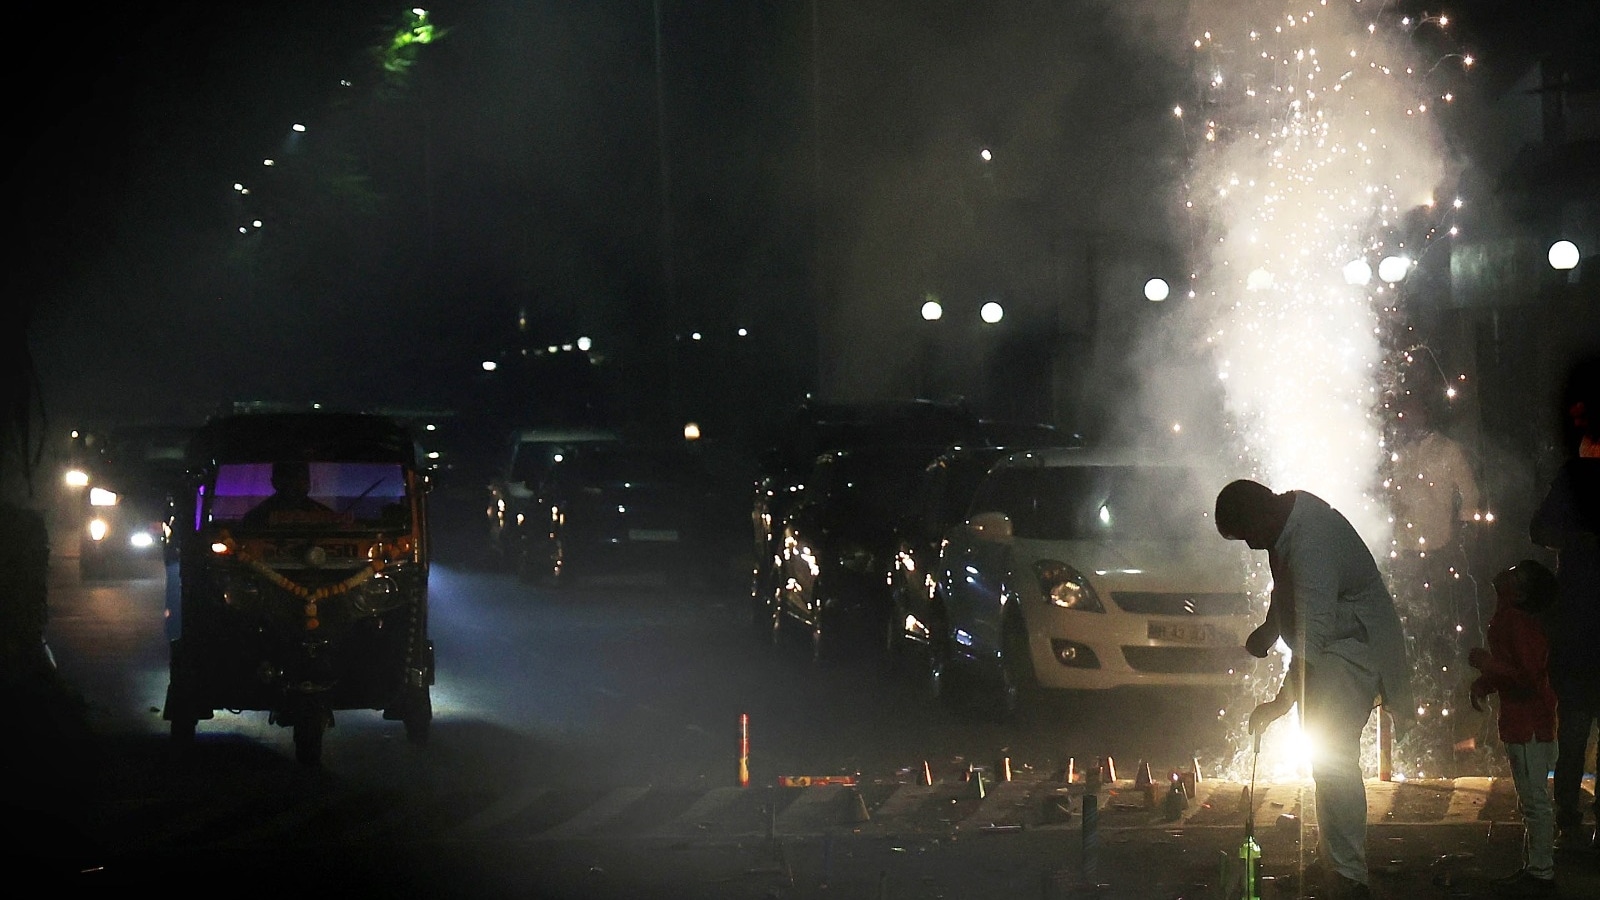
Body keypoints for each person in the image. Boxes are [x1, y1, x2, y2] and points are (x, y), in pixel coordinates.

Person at [1215, 479, 1412, 900]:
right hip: (1333, 651)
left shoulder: (1312, 539)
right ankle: (1333, 862)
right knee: (1326, 764)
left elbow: (1313, 634)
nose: (1250, 546)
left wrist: (1279, 704)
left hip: (1351, 650)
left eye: (1247, 534)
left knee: (1335, 761)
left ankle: (1349, 877)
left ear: (1262, 513)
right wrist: (1269, 633)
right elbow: (1287, 589)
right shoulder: (1286, 524)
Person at [1529, 385, 1600, 855]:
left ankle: (1569, 820)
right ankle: (1574, 820)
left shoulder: (1574, 477)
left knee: (1574, 727)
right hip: (1579, 619)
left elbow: (1541, 530)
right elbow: (1541, 529)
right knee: (1574, 727)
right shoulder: (1574, 477)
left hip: (1578, 618)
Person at [1468, 560, 1560, 897]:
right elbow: (1518, 672)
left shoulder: (1518, 622)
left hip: (1529, 724)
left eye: (1515, 574)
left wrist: (1487, 667)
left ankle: (1541, 873)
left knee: (1535, 801)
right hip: (1524, 722)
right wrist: (1485, 683)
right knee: (1531, 801)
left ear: (1520, 593)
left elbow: (1529, 677)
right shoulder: (1512, 618)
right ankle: (1536, 869)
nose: (1506, 572)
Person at [240, 460, 331, 528]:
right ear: (275, 482)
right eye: (289, 479)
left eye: (301, 478)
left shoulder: (325, 515)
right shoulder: (256, 517)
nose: (295, 484)